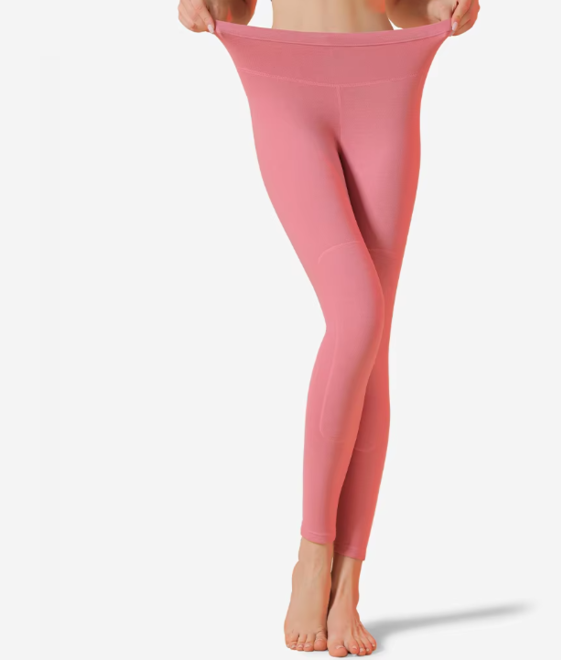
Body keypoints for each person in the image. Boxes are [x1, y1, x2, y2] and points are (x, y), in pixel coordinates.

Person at [177, 0, 479, 655]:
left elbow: (405, 8)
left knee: (373, 343)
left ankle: (349, 584)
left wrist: (442, 7)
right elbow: (239, 4)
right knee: (357, 312)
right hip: (285, 82)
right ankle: (312, 556)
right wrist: (206, 5)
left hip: (386, 82)